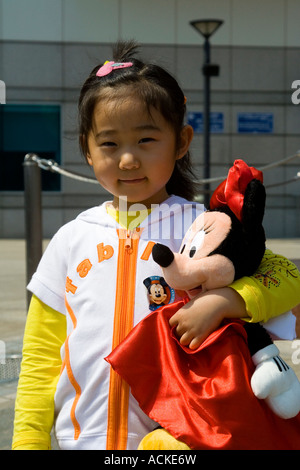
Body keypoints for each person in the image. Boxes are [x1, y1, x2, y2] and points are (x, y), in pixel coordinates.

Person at [12, 41, 300, 450]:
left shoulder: (205, 226)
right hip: (83, 440)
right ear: (87, 150)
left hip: (181, 440)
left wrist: (224, 302)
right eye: (109, 144)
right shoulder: (71, 239)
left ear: (181, 142)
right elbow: (41, 356)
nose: (128, 160)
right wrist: (28, 440)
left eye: (146, 140)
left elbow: (287, 278)